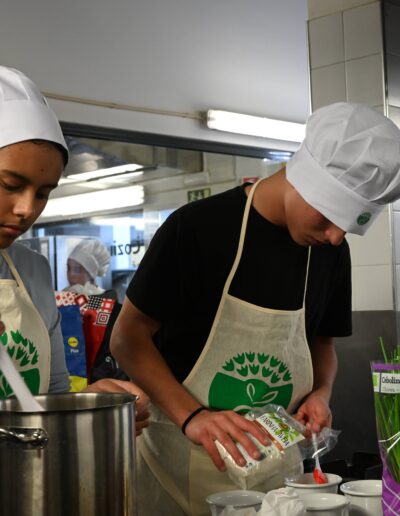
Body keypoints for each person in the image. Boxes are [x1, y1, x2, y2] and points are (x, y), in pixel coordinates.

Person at [110, 101, 400, 515]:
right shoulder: (196, 228)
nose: (336, 236)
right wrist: (193, 416)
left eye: (349, 226)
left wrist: (321, 393)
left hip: (277, 479)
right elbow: (128, 338)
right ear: (303, 179)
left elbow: (322, 344)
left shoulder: (331, 253)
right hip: (177, 470)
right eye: (329, 217)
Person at [0, 65, 149, 436]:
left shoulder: (31, 269)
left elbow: (51, 394)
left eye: (43, 193)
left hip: (28, 469)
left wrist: (87, 409)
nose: (26, 209)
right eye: (9, 185)